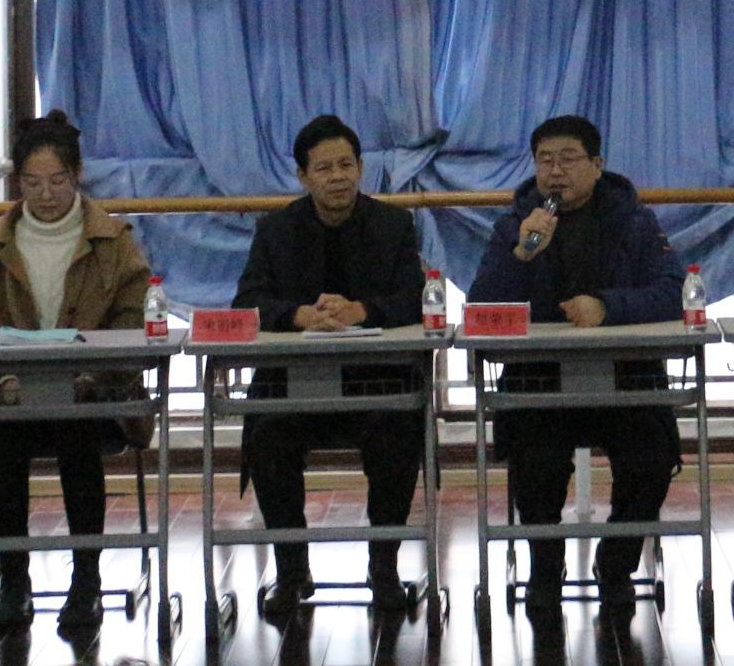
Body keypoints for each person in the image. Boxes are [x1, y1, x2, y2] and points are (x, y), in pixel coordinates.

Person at [468, 114, 686, 614]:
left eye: (568, 159)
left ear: (597, 164)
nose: (556, 171)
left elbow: (675, 292)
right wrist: (521, 255)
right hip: (539, 383)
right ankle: (546, 568)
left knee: (651, 457)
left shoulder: (633, 221)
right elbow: (481, 308)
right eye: (545, 160)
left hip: (627, 381)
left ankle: (616, 563)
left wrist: (608, 308)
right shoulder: (516, 223)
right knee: (535, 462)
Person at [0, 111, 153, 643]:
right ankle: (14, 580)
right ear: (17, 182)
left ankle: (85, 580)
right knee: (5, 442)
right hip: (16, 397)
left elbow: (132, 320)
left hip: (94, 398)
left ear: (78, 175)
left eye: (58, 181)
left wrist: (95, 375)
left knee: (76, 433)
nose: (45, 195)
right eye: (33, 183)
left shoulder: (114, 241)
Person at [231, 113, 429, 620]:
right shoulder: (276, 230)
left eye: (346, 165)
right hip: (294, 387)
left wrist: (362, 311)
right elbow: (247, 302)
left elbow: (416, 298)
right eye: (324, 168)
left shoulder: (393, 225)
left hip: (377, 384)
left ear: (361, 168)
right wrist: (298, 316)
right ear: (303, 176)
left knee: (398, 432)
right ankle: (291, 570)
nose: (337, 177)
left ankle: (384, 567)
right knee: (268, 436)